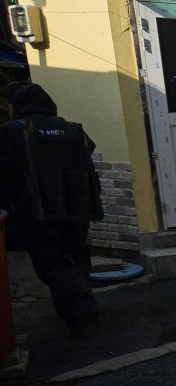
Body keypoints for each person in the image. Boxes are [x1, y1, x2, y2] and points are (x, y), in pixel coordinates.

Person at [0, 82, 102, 335]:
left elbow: (4, 173)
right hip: (77, 206)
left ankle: (81, 313)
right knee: (75, 254)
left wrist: (4, 206)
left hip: (37, 211)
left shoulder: (12, 131)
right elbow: (88, 153)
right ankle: (77, 304)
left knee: (52, 262)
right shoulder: (72, 129)